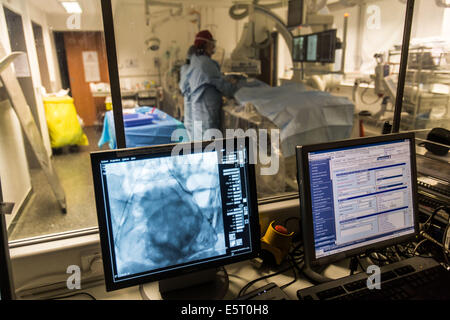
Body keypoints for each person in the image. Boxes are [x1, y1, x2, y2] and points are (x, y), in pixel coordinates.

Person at [188, 30, 237, 141]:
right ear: (206, 44)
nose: (214, 46)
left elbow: (211, 80)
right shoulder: (206, 63)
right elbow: (223, 86)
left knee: (201, 146)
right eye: (212, 43)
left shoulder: (196, 61)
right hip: (207, 115)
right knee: (208, 147)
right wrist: (236, 88)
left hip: (199, 113)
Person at [179, 45, 196, 140]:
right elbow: (184, 87)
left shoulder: (189, 68)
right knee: (191, 133)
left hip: (192, 105)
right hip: (191, 104)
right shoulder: (187, 68)